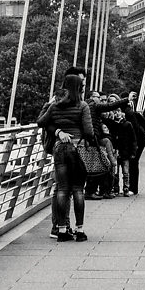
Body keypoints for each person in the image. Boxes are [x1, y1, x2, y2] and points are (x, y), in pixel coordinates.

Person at [36, 73, 94, 241]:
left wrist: (59, 131)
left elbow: (41, 122)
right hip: (77, 149)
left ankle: (61, 230)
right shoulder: (82, 106)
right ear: (78, 88)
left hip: (60, 149)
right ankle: (79, 229)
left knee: (62, 189)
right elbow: (89, 131)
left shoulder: (55, 106)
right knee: (77, 189)